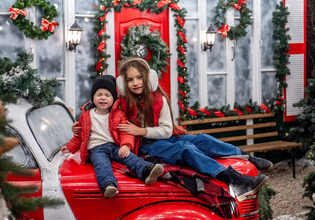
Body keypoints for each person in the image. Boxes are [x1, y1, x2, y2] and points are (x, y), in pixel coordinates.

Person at [73, 58, 272, 201]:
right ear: (123, 84)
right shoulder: (121, 102)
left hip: (159, 135)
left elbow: (167, 131)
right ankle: (232, 179)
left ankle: (245, 157)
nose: (135, 83)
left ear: (148, 79)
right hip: (145, 146)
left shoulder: (160, 99)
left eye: (139, 78)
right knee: (185, 149)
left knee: (201, 139)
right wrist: (80, 125)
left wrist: (141, 130)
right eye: (130, 80)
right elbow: (98, 105)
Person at [61, 75, 164, 199]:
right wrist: (69, 147)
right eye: (99, 95)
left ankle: (147, 171)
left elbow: (125, 132)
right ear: (93, 98)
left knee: (130, 157)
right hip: (97, 149)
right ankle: (108, 185)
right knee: (102, 165)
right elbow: (80, 136)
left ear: (113, 99)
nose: (103, 98)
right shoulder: (86, 116)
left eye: (107, 95)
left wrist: (125, 145)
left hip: (115, 146)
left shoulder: (118, 115)